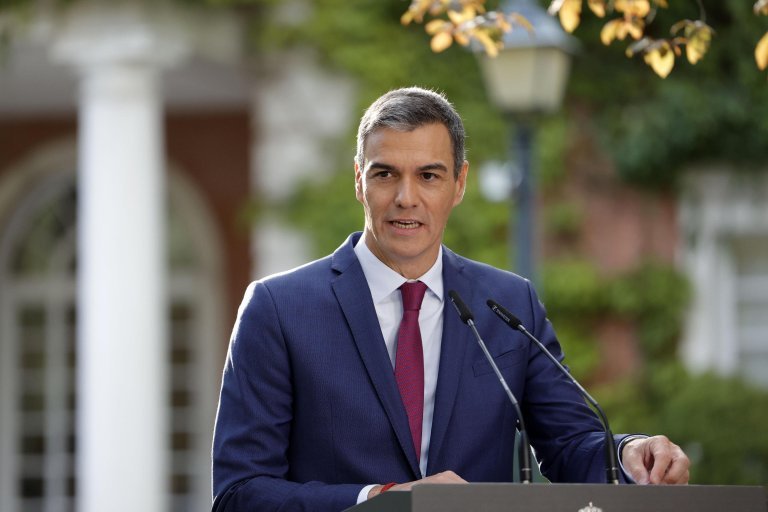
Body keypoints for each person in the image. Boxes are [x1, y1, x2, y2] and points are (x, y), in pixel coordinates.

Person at [211, 87, 690, 512]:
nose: (406, 197)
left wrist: (628, 453)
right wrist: (378, 499)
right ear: (359, 179)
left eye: (429, 176)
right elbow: (240, 493)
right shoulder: (278, 309)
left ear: (459, 183)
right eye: (385, 175)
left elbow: (568, 443)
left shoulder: (508, 304)